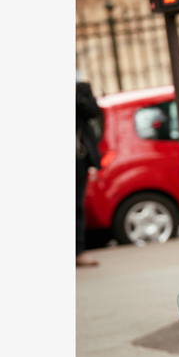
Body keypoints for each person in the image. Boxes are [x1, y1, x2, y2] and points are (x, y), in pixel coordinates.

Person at [76, 79, 103, 268]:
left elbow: (93, 112)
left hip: (77, 158)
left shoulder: (80, 88)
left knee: (76, 205)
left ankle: (78, 251)